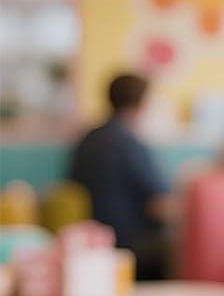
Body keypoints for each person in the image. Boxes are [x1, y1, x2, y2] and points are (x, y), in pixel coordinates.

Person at [67, 72, 175, 280]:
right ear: (143, 104)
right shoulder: (131, 145)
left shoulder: (86, 140)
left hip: (88, 242)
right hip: (128, 244)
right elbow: (160, 205)